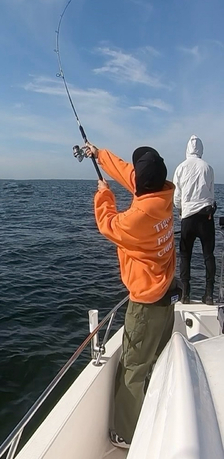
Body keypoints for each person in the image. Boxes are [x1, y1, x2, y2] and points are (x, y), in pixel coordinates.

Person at [84, 142, 179, 449]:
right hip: (166, 298)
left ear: (142, 184)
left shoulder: (137, 219)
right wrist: (99, 154)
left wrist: (103, 193)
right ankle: (154, 410)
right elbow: (129, 173)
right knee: (156, 361)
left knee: (133, 370)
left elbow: (108, 225)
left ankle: (126, 434)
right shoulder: (164, 195)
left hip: (146, 306)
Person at [173, 135, 216, 305]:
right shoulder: (208, 168)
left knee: (185, 256)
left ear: (187, 149)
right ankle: (209, 295)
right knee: (208, 256)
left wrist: (181, 210)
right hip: (206, 217)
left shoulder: (181, 168)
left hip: (188, 218)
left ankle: (185, 295)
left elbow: (177, 196)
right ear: (201, 149)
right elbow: (212, 194)